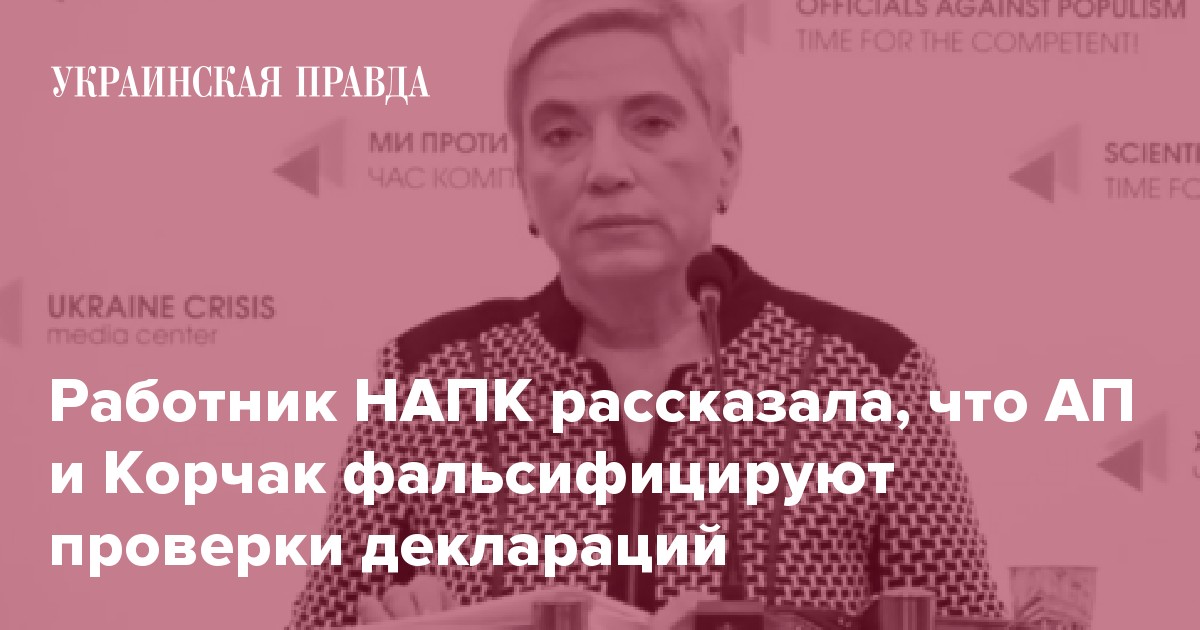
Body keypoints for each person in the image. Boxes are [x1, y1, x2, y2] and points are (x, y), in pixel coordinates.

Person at [285, 0, 1004, 628]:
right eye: (560, 134)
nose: (606, 169)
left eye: (651, 123)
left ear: (726, 160)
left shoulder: (872, 377)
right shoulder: (429, 382)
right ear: (523, 180)